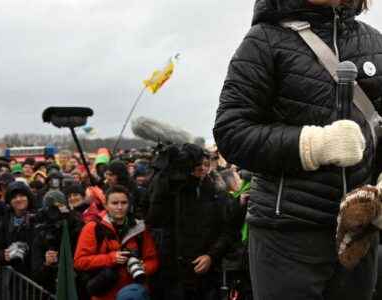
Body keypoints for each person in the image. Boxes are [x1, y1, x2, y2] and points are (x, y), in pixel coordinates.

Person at [213, 1, 382, 299]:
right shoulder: (264, 39)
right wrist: (314, 145)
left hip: (360, 233)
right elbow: (231, 131)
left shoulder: (375, 42)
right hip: (287, 231)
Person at [147, 146, 234, 300]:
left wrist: (211, 256)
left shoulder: (215, 192)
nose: (202, 169)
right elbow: (154, 220)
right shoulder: (170, 193)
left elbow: (227, 231)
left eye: (205, 165)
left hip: (206, 276)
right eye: (196, 166)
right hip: (174, 275)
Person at [74, 185, 159, 300]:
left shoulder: (139, 228)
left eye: (124, 203)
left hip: (134, 292)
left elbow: (152, 259)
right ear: (106, 205)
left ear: (129, 205)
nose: (120, 207)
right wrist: (111, 258)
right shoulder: (93, 228)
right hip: (105, 293)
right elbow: (80, 261)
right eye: (114, 203)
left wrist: (144, 268)